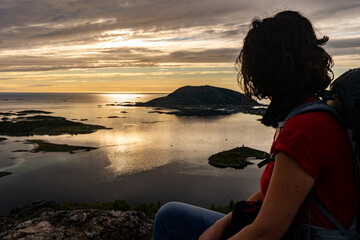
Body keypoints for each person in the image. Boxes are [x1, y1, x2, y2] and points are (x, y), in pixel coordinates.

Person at [153, 10, 359, 240]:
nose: (251, 72)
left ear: (283, 64)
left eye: (257, 61)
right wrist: (223, 223)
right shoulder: (309, 112)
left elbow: (265, 233)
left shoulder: (304, 128)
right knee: (170, 215)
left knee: (169, 222)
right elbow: (272, 192)